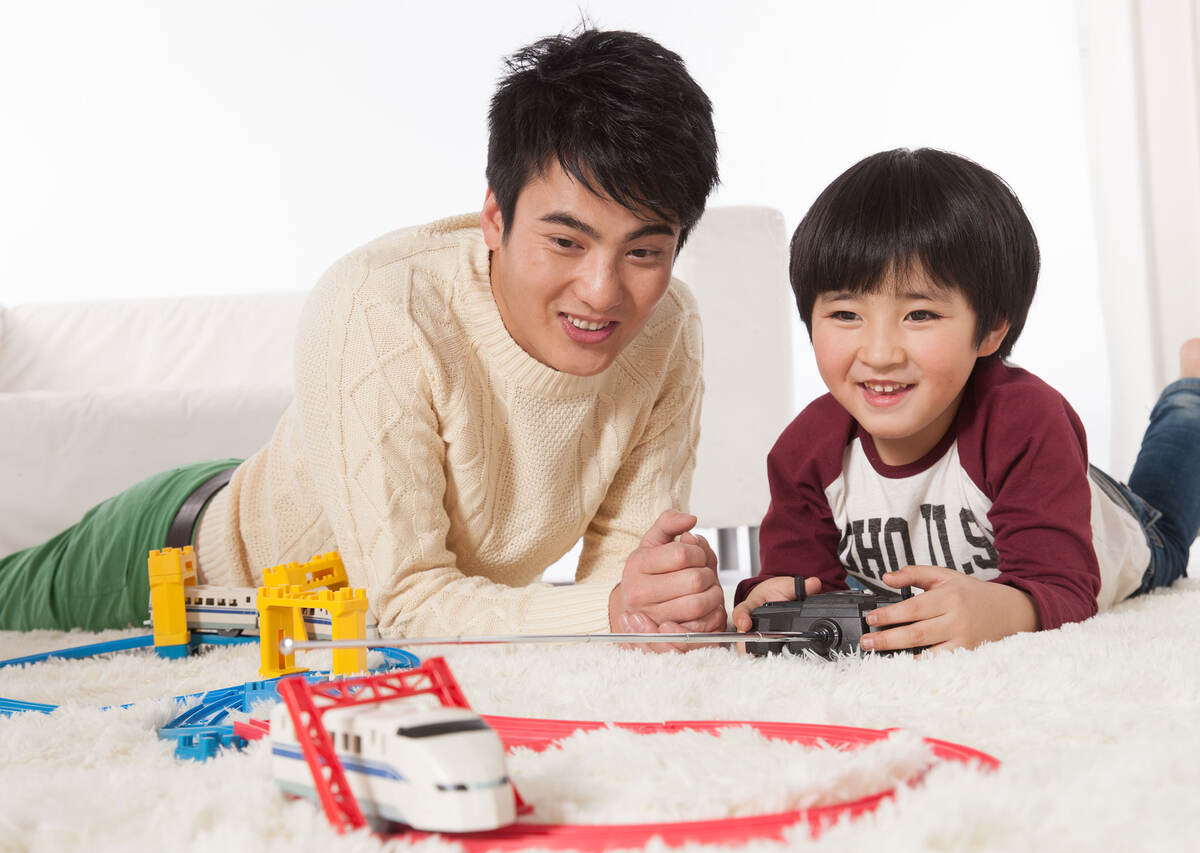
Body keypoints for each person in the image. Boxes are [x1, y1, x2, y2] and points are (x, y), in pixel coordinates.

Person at [0, 28, 728, 641]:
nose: (603, 292)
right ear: (495, 219)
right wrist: (612, 610)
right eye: (566, 241)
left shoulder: (669, 330)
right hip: (177, 556)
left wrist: (653, 602)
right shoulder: (383, 305)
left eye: (644, 251)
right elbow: (409, 606)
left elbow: (630, 593)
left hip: (321, 537)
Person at [731, 148, 1200, 654]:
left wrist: (1001, 609)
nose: (880, 353)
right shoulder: (805, 452)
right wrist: (770, 595)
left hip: (1122, 538)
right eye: (846, 314)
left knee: (1172, 508)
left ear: (992, 327)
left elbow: (1065, 589)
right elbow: (801, 585)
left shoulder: (1024, 420)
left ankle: (1190, 388)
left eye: (920, 315)